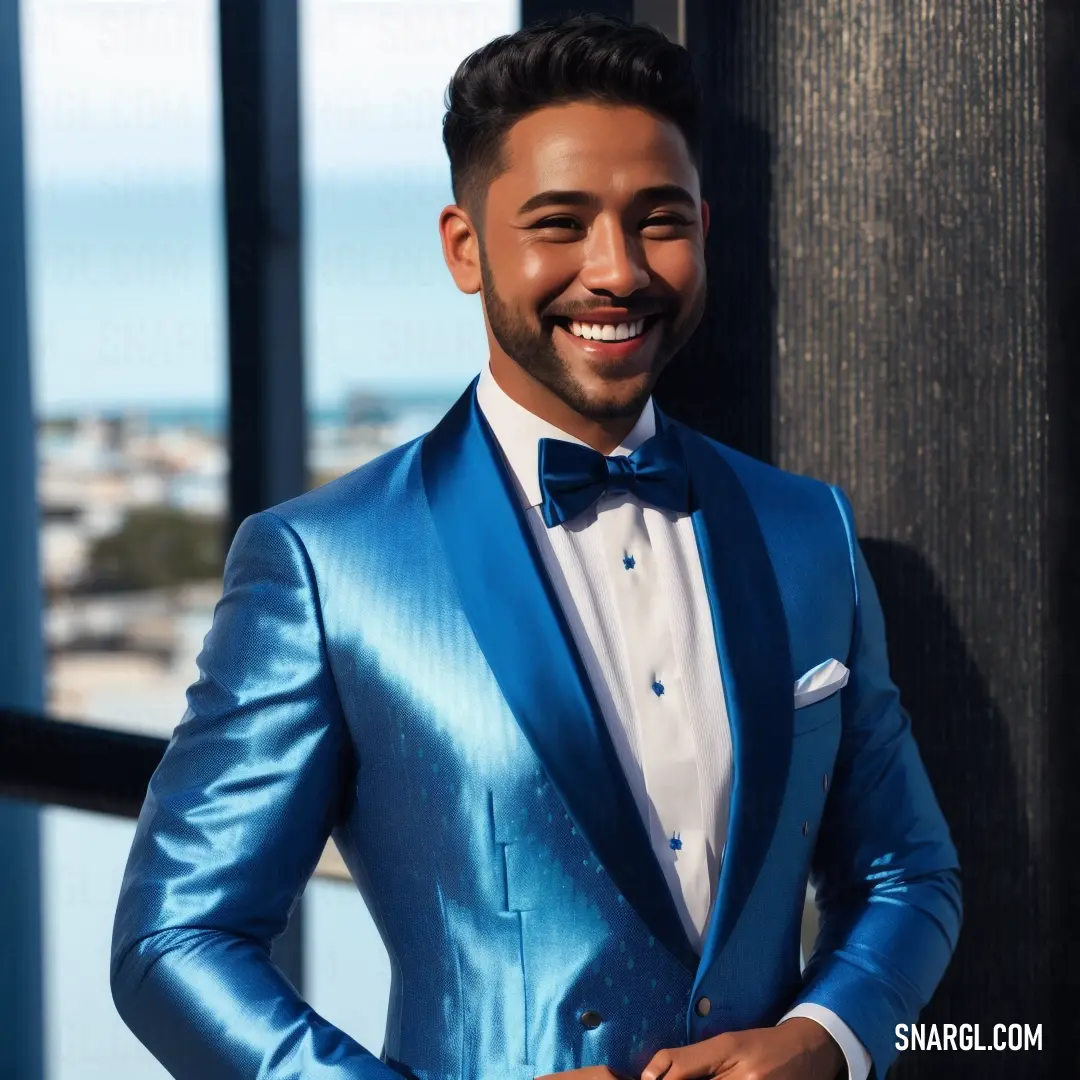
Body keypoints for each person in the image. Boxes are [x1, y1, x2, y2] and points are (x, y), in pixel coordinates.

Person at [110, 14, 961, 1080]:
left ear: (702, 224)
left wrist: (823, 1041)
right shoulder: (327, 568)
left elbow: (907, 874)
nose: (616, 271)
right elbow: (173, 941)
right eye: (559, 225)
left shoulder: (807, 532)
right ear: (466, 249)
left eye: (657, 220)